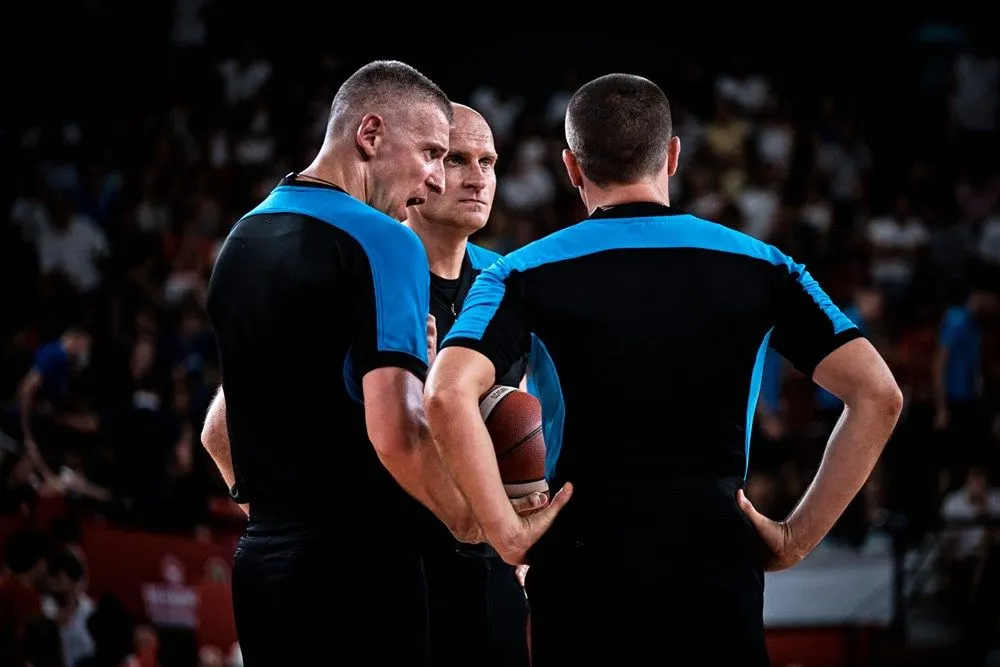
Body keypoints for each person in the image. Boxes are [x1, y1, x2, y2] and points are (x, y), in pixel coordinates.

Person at [424, 73, 904, 665]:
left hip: (582, 570)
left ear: (572, 167)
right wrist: (793, 538)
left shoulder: (518, 274)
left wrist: (507, 532)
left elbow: (446, 396)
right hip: (715, 565)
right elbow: (879, 395)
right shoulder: (765, 266)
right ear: (672, 155)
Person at [201, 60, 543, 666]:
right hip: (362, 565)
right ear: (371, 135)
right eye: (434, 154)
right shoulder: (387, 241)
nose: (436, 180)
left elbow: (217, 429)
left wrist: (276, 514)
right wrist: (478, 526)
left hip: (263, 563)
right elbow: (398, 436)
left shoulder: (243, 236)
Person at [405, 103, 531, 667]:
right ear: (422, 165)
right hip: (398, 557)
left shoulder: (505, 280)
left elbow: (521, 414)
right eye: (457, 159)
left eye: (489, 161)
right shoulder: (368, 273)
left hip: (491, 550)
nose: (478, 177)